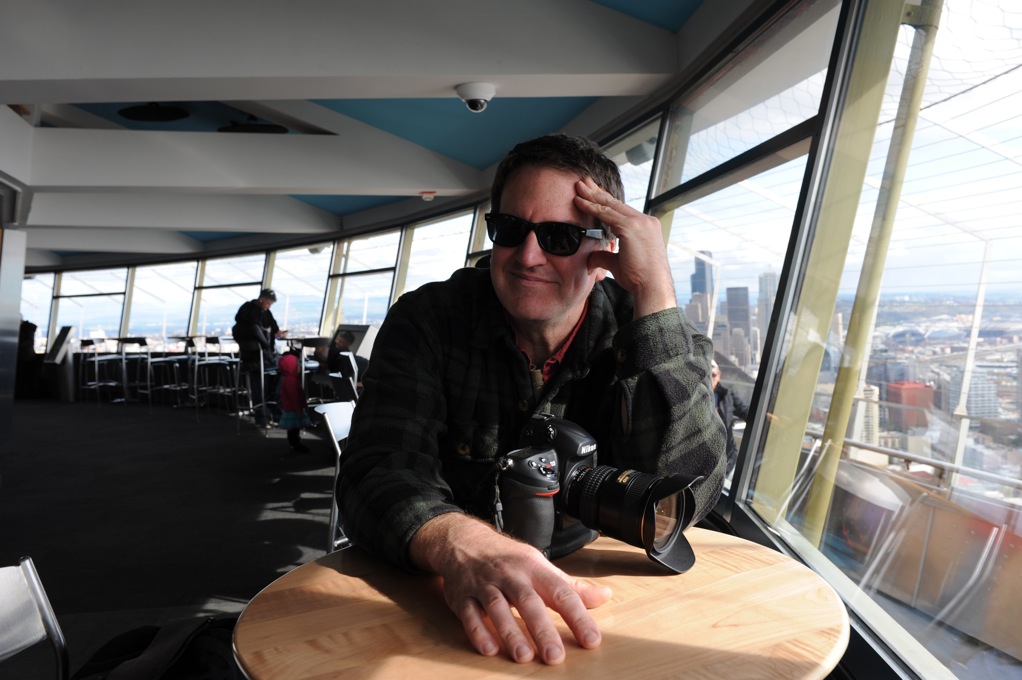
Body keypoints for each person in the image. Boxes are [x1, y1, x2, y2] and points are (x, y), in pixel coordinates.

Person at [336, 133, 726, 665]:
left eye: (560, 237)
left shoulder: (646, 333)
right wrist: (461, 544)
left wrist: (654, 293)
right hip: (440, 597)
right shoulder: (429, 321)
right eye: (510, 229)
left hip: (599, 603)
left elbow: (690, 493)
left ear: (605, 249)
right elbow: (377, 469)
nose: (527, 256)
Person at [232, 288, 286, 426]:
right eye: (268, 304)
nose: (269, 307)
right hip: (258, 359)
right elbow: (257, 329)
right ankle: (271, 412)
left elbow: (273, 328)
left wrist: (275, 332)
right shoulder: (250, 314)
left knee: (263, 384)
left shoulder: (253, 313)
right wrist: (266, 333)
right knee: (282, 369)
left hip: (253, 359)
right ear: (261, 299)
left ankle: (265, 414)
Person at [711, 359, 749, 478]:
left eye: (713, 375)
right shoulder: (695, 396)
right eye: (707, 375)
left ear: (719, 376)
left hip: (727, 456)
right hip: (705, 456)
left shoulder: (727, 395)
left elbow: (745, 411)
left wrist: (766, 416)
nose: (711, 379)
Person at [277, 352, 312, 454]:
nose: (299, 368)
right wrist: (299, 408)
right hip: (293, 409)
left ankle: (295, 444)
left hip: (292, 409)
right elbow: (294, 397)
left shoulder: (289, 379)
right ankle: (295, 444)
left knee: (293, 429)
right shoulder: (291, 381)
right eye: (297, 365)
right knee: (294, 429)